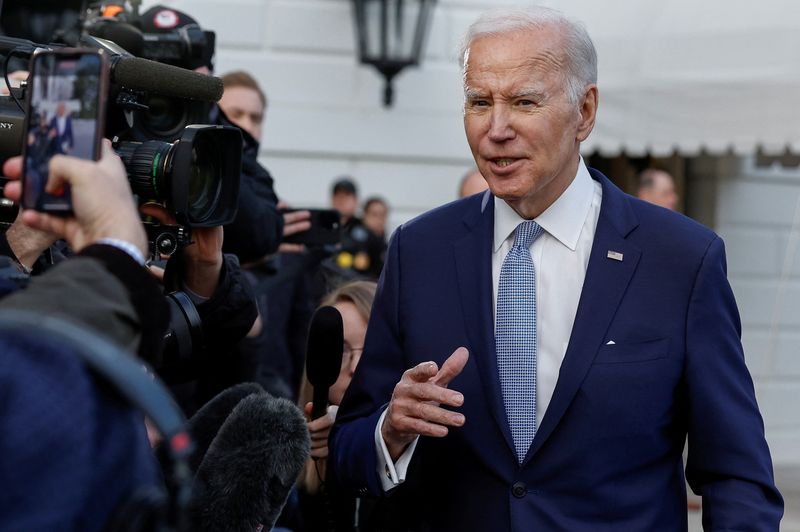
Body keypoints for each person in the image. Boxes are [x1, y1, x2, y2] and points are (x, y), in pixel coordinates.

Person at [330, 7, 783, 531]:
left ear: (584, 112)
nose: (497, 129)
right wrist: (389, 431)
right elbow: (346, 450)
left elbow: (736, 474)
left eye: (524, 101)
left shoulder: (680, 260)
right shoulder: (419, 251)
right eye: (480, 102)